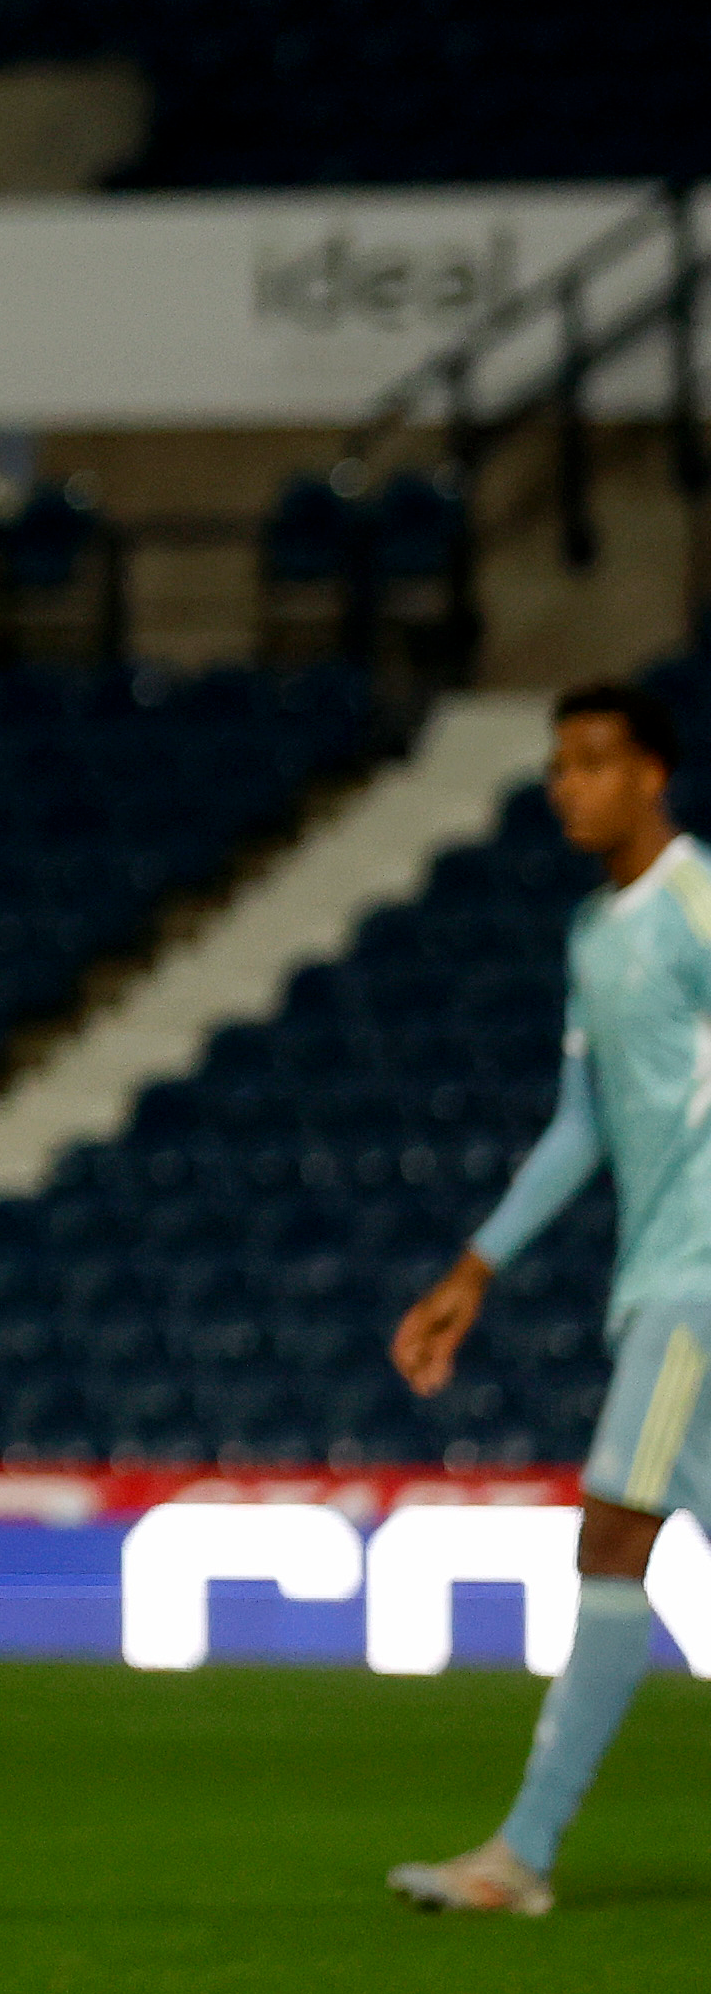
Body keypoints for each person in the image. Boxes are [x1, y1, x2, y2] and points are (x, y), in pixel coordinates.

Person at [387, 677, 709, 1916]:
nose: (564, 784)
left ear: (649, 775)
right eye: (556, 764)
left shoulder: (692, 903)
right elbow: (580, 1123)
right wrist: (474, 1267)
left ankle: (519, 1853)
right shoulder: (592, 931)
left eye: (590, 761)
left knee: (612, 1529)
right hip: (654, 1273)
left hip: (696, 1278)